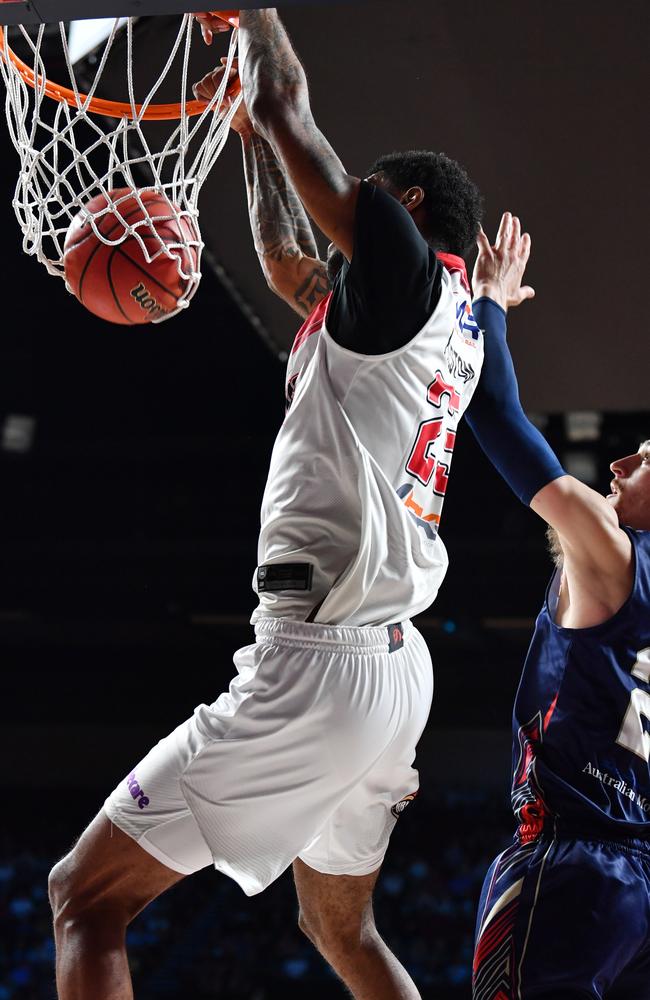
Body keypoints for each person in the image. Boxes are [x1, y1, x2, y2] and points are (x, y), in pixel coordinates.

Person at [48, 10, 484, 999]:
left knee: (85, 895)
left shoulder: (403, 273)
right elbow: (290, 264)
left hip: (315, 669)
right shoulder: (427, 322)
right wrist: (246, 139)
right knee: (341, 930)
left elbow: (294, 108)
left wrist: (252, 21)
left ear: (401, 204)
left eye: (364, 197)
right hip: (390, 669)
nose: (346, 209)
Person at [467, 214, 650, 999]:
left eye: (646, 458)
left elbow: (496, 417)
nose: (621, 459)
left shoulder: (611, 551)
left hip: (573, 863)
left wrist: (489, 303)